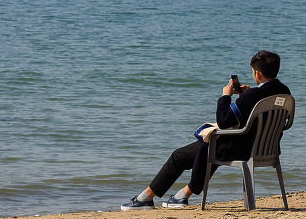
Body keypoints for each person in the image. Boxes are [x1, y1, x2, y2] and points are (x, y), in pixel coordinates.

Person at [120, 50, 291, 210]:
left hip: (239, 148)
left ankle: (145, 198)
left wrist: (225, 96)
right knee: (202, 149)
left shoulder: (252, 96)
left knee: (180, 156)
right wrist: (247, 94)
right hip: (267, 148)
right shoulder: (284, 92)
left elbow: (223, 121)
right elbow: (263, 109)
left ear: (258, 74)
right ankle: (181, 195)